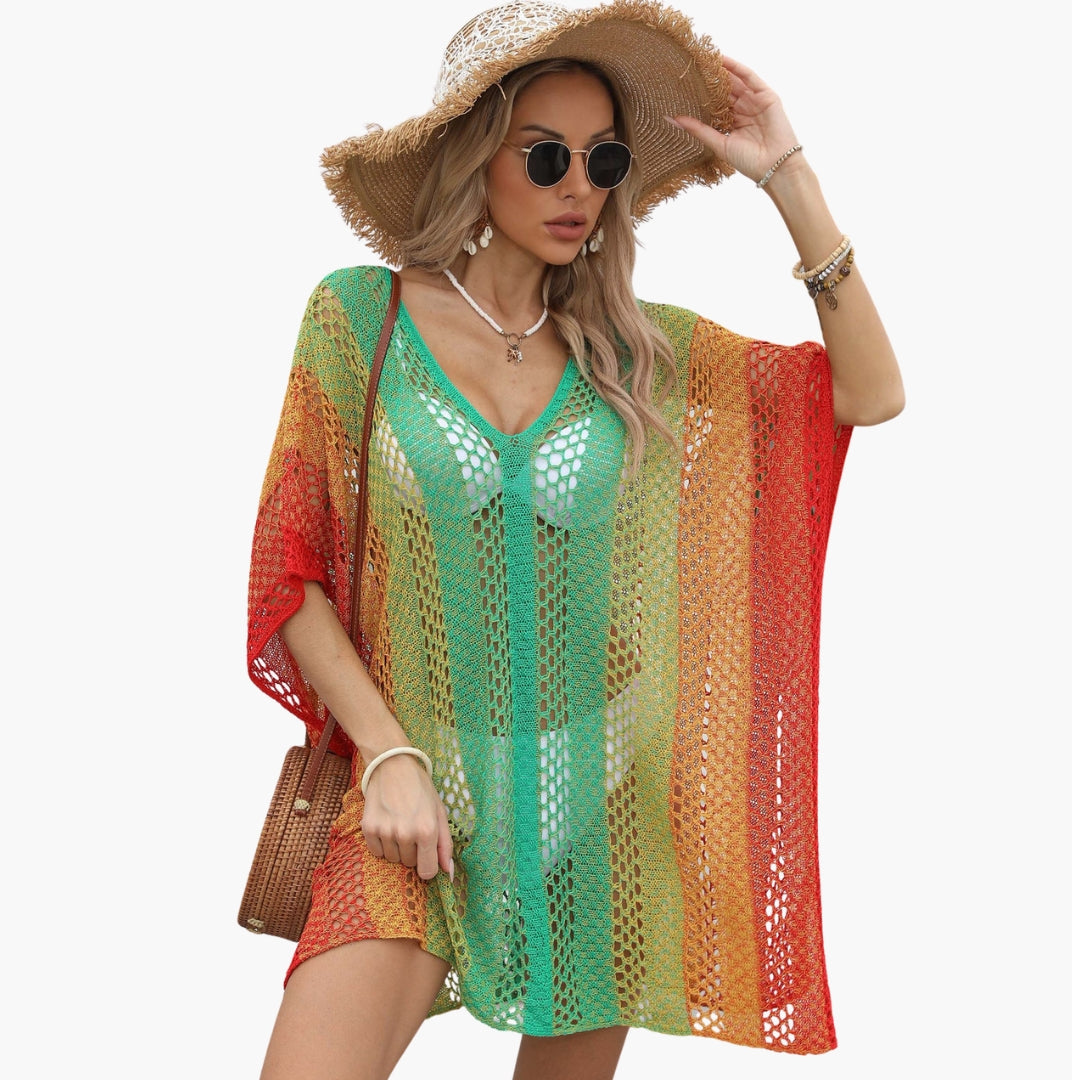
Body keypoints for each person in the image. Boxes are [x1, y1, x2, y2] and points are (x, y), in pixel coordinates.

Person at [246, 2, 904, 1077]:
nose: (578, 188)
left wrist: (789, 180)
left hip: (598, 806)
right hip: (416, 792)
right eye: (546, 155)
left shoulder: (632, 355)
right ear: (477, 159)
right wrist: (389, 753)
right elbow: (294, 572)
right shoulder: (361, 318)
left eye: (603, 161)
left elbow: (869, 395)